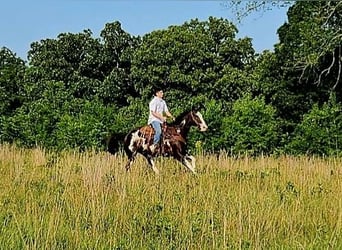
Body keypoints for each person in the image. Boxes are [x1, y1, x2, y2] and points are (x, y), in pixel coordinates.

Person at [148, 88, 174, 153]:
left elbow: (166, 111)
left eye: (162, 92)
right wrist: (161, 117)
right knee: (159, 131)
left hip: (161, 120)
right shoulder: (153, 101)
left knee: (169, 131)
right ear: (157, 93)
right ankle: (154, 145)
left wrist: (172, 116)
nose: (162, 94)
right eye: (161, 92)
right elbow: (153, 112)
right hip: (154, 119)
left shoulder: (163, 102)